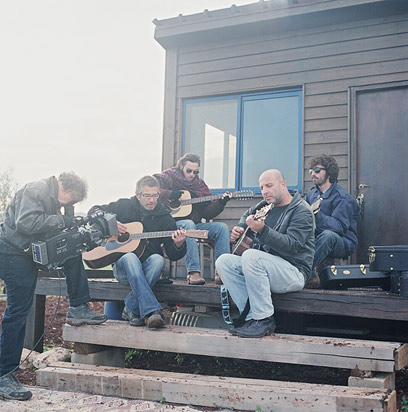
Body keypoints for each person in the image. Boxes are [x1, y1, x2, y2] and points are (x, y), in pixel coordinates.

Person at [0, 172, 108, 401]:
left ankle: (78, 307)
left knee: (72, 252)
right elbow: (25, 222)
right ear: (66, 190)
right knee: (18, 312)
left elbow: (56, 226)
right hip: (11, 253)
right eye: (71, 200)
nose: (69, 204)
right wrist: (63, 220)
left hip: (30, 251)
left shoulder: (55, 198)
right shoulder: (36, 190)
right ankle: (3, 374)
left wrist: (72, 220)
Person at [215, 169, 314, 338]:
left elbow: (293, 245)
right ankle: (251, 318)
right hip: (266, 269)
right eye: (261, 188)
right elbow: (247, 215)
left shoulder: (301, 210)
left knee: (251, 256)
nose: (265, 191)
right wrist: (241, 227)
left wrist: (262, 231)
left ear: (283, 184)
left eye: (269, 185)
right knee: (224, 261)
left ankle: (264, 319)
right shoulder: (265, 205)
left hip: (293, 272)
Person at [89, 175, 186, 329]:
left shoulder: (165, 218)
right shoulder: (123, 206)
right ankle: (152, 310)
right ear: (138, 195)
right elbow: (94, 210)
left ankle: (131, 308)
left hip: (148, 270)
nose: (152, 200)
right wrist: (110, 222)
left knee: (158, 260)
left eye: (155, 195)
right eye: (147, 196)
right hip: (123, 270)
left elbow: (173, 255)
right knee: (130, 257)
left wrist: (179, 244)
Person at [154, 153, 231, 285]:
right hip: (171, 225)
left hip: (194, 226)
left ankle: (222, 272)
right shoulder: (168, 176)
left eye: (195, 172)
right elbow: (153, 190)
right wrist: (171, 194)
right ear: (181, 167)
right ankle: (193, 273)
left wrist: (221, 203)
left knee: (221, 228)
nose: (192, 175)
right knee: (188, 224)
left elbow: (207, 213)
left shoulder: (199, 185)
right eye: (189, 171)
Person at [305, 154, 359, 275]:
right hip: (317, 239)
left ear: (329, 173)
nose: (313, 174)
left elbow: (339, 227)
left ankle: (303, 271)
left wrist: (316, 215)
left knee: (328, 236)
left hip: (343, 242)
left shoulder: (343, 198)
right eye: (311, 171)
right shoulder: (312, 194)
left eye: (317, 170)